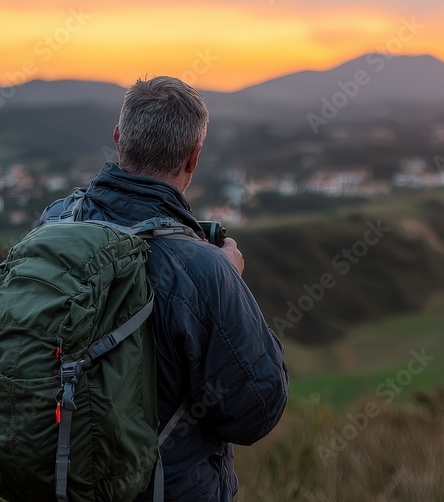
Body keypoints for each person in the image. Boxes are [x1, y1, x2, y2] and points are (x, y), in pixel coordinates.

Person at [35, 76, 289, 501]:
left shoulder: (54, 224)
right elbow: (256, 410)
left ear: (119, 140)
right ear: (194, 157)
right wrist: (229, 283)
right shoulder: (204, 269)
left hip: (54, 482)